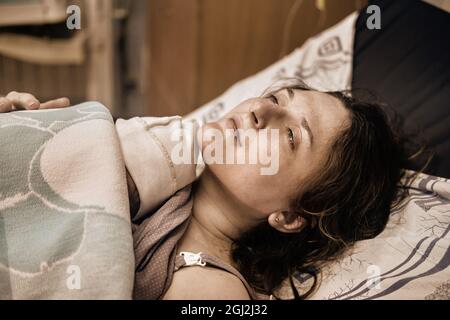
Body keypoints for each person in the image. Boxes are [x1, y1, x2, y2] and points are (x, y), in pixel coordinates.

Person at [0, 79, 414, 300]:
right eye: (275, 97)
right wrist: (24, 135)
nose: (259, 110)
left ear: (289, 216)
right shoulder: (152, 172)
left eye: (289, 136)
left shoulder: (213, 289)